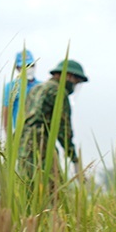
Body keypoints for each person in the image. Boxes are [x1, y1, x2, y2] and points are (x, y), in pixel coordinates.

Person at [17, 59, 86, 191]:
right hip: (41, 144)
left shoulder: (36, 89)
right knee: (54, 191)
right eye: (75, 82)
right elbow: (64, 130)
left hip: (23, 145)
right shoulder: (58, 92)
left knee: (27, 189)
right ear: (69, 76)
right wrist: (74, 159)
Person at [0, 50, 38, 134]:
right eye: (24, 66)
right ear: (17, 68)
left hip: (39, 132)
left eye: (30, 65)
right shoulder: (11, 86)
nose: (28, 69)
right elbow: (6, 112)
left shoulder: (41, 85)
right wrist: (8, 136)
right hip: (21, 132)